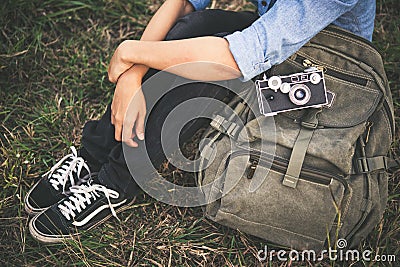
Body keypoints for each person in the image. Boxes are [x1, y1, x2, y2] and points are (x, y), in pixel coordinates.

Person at [25, 0, 376, 243]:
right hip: (274, 47)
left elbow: (240, 57)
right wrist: (134, 74)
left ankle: (118, 180)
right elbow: (184, 3)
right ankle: (94, 152)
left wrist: (129, 51)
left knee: (210, 69)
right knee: (197, 28)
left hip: (324, 78)